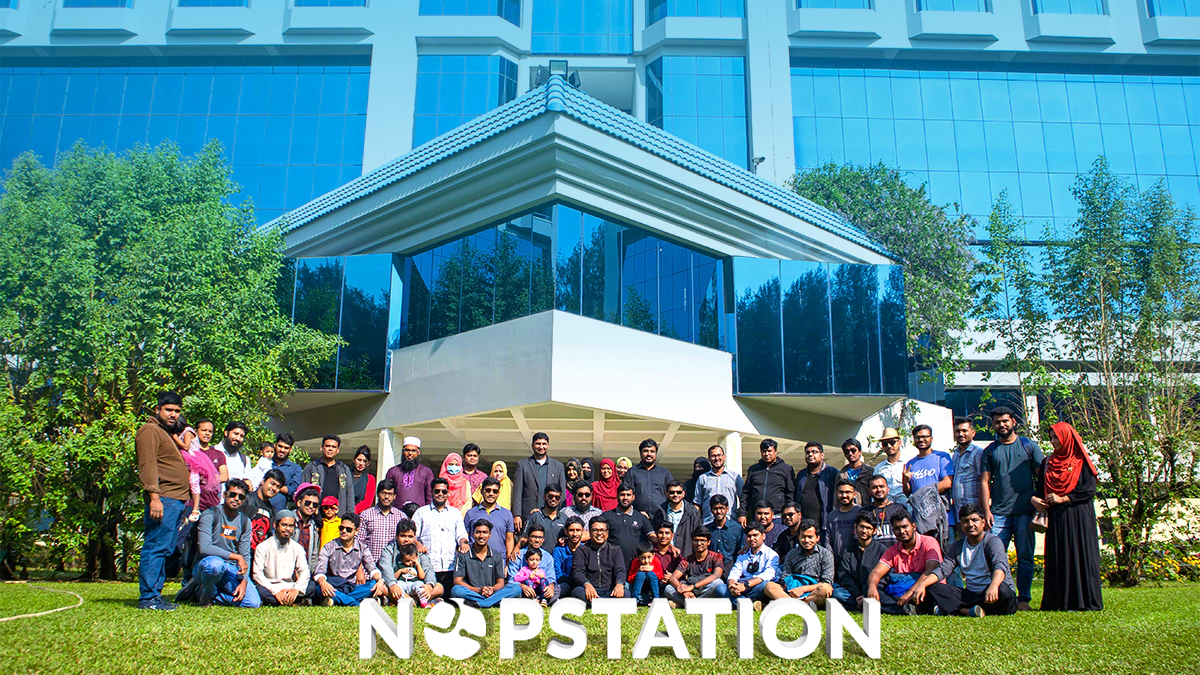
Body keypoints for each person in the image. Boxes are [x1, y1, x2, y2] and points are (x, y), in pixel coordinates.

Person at [979, 405, 1045, 611]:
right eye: (997, 422)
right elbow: (984, 481)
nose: (1002, 425)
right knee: (994, 556)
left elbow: (1041, 476)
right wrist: (986, 511)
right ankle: (1001, 596)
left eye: (1005, 421)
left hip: (1025, 512)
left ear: (1014, 422)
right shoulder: (990, 451)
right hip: (998, 513)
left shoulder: (1028, 446)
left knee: (1025, 556)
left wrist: (1039, 501)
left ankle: (1023, 599)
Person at [1033, 421, 1103, 612]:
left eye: (1057, 437)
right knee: (1060, 555)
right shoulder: (1048, 463)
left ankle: (1085, 601)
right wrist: (1035, 499)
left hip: (1079, 517)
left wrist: (1064, 498)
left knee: (1081, 555)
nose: (1053, 441)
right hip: (1057, 518)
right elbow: (1040, 489)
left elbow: (1089, 490)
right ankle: (1060, 602)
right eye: (1051, 437)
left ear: (1067, 438)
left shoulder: (1082, 463)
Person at [909, 504, 1018, 617]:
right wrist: (922, 584)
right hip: (972, 595)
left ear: (983, 522)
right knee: (932, 586)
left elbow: (1000, 567)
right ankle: (967, 611)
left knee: (1003, 589)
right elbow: (942, 570)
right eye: (965, 521)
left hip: (995, 592)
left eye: (974, 520)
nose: (970, 524)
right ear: (960, 524)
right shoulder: (958, 546)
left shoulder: (992, 542)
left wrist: (993, 586)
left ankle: (957, 610)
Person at [135, 391, 190, 610]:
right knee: (156, 546)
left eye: (177, 411)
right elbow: (147, 465)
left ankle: (155, 595)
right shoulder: (149, 431)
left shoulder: (165, 433)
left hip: (175, 499)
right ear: (157, 410)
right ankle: (148, 598)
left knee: (165, 548)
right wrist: (154, 497)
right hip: (163, 499)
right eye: (169, 410)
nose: (173, 415)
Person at [188, 479, 261, 608]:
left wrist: (244, 580)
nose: (236, 499)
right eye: (232, 494)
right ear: (224, 494)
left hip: (230, 568)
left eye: (241, 497)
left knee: (252, 603)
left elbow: (245, 555)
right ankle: (208, 595)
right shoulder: (210, 514)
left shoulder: (245, 521)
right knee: (215, 565)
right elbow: (205, 548)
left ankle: (203, 592)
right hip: (207, 564)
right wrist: (236, 557)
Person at [865, 510, 943, 615]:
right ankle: (903, 609)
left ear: (914, 527)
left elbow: (931, 569)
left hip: (924, 587)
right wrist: (872, 587)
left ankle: (900, 607)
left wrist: (910, 592)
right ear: (893, 531)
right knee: (871, 585)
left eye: (905, 527)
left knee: (933, 588)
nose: (902, 531)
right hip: (903, 589)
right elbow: (876, 572)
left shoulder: (929, 542)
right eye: (897, 528)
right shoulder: (893, 550)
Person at [314, 512, 386, 606]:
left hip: (352, 587)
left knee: (373, 584)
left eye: (348, 529)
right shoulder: (328, 547)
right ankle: (358, 604)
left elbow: (372, 569)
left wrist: (380, 580)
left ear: (356, 531)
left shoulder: (362, 548)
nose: (344, 531)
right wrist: (323, 582)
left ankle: (338, 600)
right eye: (341, 528)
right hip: (334, 586)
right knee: (320, 588)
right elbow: (320, 572)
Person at [412, 477, 470, 592]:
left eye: (444, 491)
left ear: (448, 493)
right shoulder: (421, 512)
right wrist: (417, 544)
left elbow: (461, 535)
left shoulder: (455, 513)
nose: (440, 494)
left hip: (450, 565)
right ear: (431, 492)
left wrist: (464, 543)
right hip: (429, 565)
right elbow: (411, 535)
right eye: (437, 491)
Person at [764, 518, 835, 608]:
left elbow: (827, 582)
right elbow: (785, 577)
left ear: (817, 538)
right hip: (793, 590)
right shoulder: (791, 554)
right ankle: (801, 605)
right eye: (803, 536)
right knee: (769, 586)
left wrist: (802, 589)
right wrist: (792, 589)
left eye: (810, 537)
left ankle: (793, 604)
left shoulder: (826, 554)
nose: (806, 540)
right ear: (798, 537)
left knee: (826, 589)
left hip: (813, 591)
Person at [451, 520, 523, 608]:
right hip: (473, 593)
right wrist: (478, 590)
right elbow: (457, 581)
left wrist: (492, 589)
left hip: (492, 593)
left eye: (485, 532)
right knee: (456, 590)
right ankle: (492, 602)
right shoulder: (464, 555)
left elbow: (500, 583)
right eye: (478, 532)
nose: (481, 536)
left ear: (490, 535)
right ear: (473, 534)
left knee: (516, 589)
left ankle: (481, 604)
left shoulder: (496, 556)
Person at [252, 509, 316, 607]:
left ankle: (285, 600)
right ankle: (295, 602)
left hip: (290, 586)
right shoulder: (263, 547)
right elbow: (257, 574)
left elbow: (304, 571)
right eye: (284, 525)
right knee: (259, 590)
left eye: (291, 526)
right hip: (270, 586)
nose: (288, 529)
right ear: (275, 525)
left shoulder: (297, 548)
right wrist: (275, 591)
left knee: (311, 586)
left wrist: (296, 589)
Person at [836, 512, 892, 613]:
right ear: (855, 527)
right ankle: (863, 603)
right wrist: (857, 595)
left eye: (868, 528)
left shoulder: (881, 550)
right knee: (837, 594)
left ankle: (862, 605)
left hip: (875, 589)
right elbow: (844, 576)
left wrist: (873, 587)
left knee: (880, 595)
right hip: (853, 593)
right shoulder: (848, 550)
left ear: (874, 531)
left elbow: (887, 574)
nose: (864, 531)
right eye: (861, 527)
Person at [379, 519, 444, 607]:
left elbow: (428, 569)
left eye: (410, 536)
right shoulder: (388, 550)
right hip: (399, 586)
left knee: (439, 587)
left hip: (416, 586)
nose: (406, 539)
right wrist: (392, 585)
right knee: (383, 588)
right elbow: (386, 569)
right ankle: (415, 601)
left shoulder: (418, 551)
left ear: (414, 537)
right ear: (396, 536)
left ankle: (411, 601)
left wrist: (429, 585)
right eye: (403, 536)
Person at [511, 432, 568, 530]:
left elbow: (562, 494)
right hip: (528, 515)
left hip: (551, 516)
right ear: (532, 445)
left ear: (548, 445)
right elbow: (517, 493)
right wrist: (517, 515)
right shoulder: (523, 465)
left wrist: (561, 515)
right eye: (538, 443)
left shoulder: (558, 466)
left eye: (544, 444)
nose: (541, 447)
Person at [903, 424, 954, 532]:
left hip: (941, 516)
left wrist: (923, 494)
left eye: (925, 437)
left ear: (931, 438)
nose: (921, 439)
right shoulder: (910, 464)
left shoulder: (942, 457)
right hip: (921, 519)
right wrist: (905, 482)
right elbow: (908, 493)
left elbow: (947, 483)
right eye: (918, 437)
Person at [570, 516, 627, 603]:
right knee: (577, 592)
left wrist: (619, 584)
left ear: (607, 533)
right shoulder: (582, 550)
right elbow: (577, 571)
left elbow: (620, 570)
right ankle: (608, 605)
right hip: (591, 590)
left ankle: (598, 604)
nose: (599, 533)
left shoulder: (615, 550)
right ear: (589, 532)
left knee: (626, 592)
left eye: (602, 530)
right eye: (595, 530)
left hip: (609, 590)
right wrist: (587, 584)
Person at [665, 527, 727, 606]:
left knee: (718, 583)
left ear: (708, 542)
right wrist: (684, 590)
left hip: (705, 589)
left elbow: (716, 575)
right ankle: (697, 604)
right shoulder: (687, 560)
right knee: (668, 588)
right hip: (690, 590)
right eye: (696, 540)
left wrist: (693, 586)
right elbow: (673, 578)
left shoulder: (716, 557)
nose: (699, 543)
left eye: (702, 541)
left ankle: (688, 604)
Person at [741, 439, 795, 525]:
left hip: (778, 517)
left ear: (775, 451)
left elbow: (790, 493)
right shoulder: (753, 469)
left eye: (769, 451)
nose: (767, 454)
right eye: (764, 451)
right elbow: (746, 493)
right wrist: (742, 514)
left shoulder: (786, 469)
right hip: (757, 517)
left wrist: (788, 514)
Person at [727, 524, 780, 610]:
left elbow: (768, 574)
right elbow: (735, 571)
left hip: (757, 586)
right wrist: (732, 585)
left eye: (755, 535)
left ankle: (739, 603)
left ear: (763, 536)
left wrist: (746, 585)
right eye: (749, 536)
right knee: (720, 587)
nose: (752, 539)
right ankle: (749, 605)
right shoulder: (743, 554)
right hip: (741, 586)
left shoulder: (771, 554)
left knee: (766, 584)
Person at [464, 476, 517, 562]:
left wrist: (508, 563)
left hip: (499, 562)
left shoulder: (506, 514)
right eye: (488, 490)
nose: (491, 494)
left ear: (498, 494)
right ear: (482, 491)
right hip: (474, 561)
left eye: (495, 491)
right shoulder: (471, 513)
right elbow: (465, 537)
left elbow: (509, 540)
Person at [950, 417, 988, 533]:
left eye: (964, 431)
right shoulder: (955, 455)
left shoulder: (979, 453)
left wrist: (982, 511)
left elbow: (983, 481)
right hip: (960, 513)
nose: (961, 434)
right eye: (957, 431)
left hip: (975, 513)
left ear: (973, 433)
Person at [356, 478, 404, 564]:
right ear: (378, 494)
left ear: (394, 496)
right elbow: (358, 544)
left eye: (390, 494)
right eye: (383, 493)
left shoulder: (401, 517)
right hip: (369, 568)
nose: (386, 497)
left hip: (393, 569)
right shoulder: (366, 515)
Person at [693, 444, 744, 525]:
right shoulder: (703, 478)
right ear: (709, 459)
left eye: (719, 455)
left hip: (730, 521)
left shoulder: (735, 477)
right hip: (708, 522)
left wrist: (742, 515)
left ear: (724, 457)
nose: (717, 458)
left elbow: (743, 498)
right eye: (713, 456)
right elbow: (697, 503)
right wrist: (697, 522)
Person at [303, 434, 355, 510]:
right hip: (315, 513)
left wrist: (350, 515)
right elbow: (303, 491)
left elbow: (349, 494)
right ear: (321, 448)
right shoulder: (311, 467)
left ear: (338, 450)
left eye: (333, 447)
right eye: (327, 446)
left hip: (338, 515)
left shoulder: (343, 469)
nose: (330, 449)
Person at [794, 441, 839, 530]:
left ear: (822, 455)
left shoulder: (833, 473)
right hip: (804, 525)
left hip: (825, 524)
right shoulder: (801, 475)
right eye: (807, 453)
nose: (810, 455)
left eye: (814, 452)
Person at [508, 525, 557, 604]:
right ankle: (539, 600)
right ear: (528, 537)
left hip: (541, 588)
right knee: (513, 589)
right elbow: (512, 579)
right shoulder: (518, 555)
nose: (537, 540)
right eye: (534, 537)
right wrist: (523, 587)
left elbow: (551, 577)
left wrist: (551, 587)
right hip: (524, 588)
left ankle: (542, 599)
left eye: (540, 537)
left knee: (559, 588)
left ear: (543, 539)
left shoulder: (548, 557)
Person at [605, 483, 653, 565]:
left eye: (628, 495)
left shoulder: (641, 517)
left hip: (635, 563)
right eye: (622, 495)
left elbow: (652, 536)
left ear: (633, 497)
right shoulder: (607, 516)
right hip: (611, 562)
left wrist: (669, 546)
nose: (625, 498)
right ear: (617, 496)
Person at [652, 479, 701, 557]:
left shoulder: (693, 513)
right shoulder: (660, 512)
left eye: (679, 492)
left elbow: (698, 536)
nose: (675, 495)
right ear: (666, 494)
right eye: (672, 492)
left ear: (683, 494)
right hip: (665, 556)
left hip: (686, 556)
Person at [384, 436, 434, 509]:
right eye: (407, 450)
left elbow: (430, 496)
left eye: (413, 451)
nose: (410, 453)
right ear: (403, 451)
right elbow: (387, 492)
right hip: (397, 513)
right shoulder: (393, 471)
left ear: (418, 452)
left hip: (419, 514)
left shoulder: (426, 472)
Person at [626, 439, 673, 515]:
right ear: (640, 453)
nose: (649, 454)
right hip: (638, 517)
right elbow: (626, 494)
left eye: (652, 451)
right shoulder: (632, 472)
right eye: (645, 451)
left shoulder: (664, 473)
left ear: (656, 454)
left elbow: (672, 493)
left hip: (661, 517)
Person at [241, 468, 282, 553]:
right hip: (241, 551)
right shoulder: (247, 499)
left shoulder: (272, 510)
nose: (274, 488)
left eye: (278, 487)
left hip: (257, 556)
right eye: (272, 483)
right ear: (263, 481)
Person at [824, 479, 863, 562]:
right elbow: (828, 540)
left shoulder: (860, 512)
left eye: (848, 492)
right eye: (841, 492)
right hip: (838, 561)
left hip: (857, 559)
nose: (844, 495)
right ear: (837, 494)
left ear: (854, 494)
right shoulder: (832, 516)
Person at [522, 484, 567, 550]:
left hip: (558, 558)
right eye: (550, 496)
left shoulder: (564, 518)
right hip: (537, 558)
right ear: (544, 496)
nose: (553, 499)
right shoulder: (535, 516)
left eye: (557, 497)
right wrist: (517, 548)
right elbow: (524, 538)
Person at [266, 433, 302, 512]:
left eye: (286, 448)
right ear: (275, 445)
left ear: (290, 449)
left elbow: (293, 489)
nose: (282, 450)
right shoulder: (265, 463)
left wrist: (273, 486)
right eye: (280, 446)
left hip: (278, 510)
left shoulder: (295, 469)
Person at [707, 495, 744, 568]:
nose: (719, 511)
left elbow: (741, 550)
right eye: (715, 508)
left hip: (730, 567)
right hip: (711, 567)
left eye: (722, 508)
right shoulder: (707, 529)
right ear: (711, 510)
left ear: (727, 509)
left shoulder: (736, 528)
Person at [866, 474, 903, 548]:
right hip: (874, 556)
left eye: (881, 486)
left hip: (897, 554)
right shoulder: (865, 511)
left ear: (888, 488)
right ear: (869, 491)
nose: (879, 490)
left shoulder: (899, 508)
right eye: (874, 487)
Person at [292, 483, 323, 570]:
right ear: (299, 503)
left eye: (315, 505)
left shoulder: (314, 526)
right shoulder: (289, 520)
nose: (311, 507)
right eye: (308, 503)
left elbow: (314, 553)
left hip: (305, 572)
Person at [553, 517, 585, 597]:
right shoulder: (558, 551)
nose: (575, 534)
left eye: (578, 530)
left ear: (582, 531)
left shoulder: (586, 550)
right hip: (564, 585)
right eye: (571, 530)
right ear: (565, 531)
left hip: (581, 586)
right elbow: (558, 574)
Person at [874, 427, 907, 506]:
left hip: (907, 504)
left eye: (892, 442)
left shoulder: (909, 462)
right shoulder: (879, 468)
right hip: (887, 507)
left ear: (899, 442)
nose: (889, 446)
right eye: (885, 444)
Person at [214, 421, 253, 488]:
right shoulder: (212, 451)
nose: (238, 438)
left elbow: (247, 481)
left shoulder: (244, 460)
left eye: (241, 436)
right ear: (226, 433)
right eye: (236, 434)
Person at [838, 438, 875, 505]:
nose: (850, 453)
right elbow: (836, 498)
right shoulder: (841, 474)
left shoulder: (870, 472)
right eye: (847, 451)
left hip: (866, 511)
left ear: (860, 452)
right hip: (847, 511)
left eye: (853, 450)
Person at [195, 419, 228, 485]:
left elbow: (224, 477)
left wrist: (207, 478)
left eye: (210, 431)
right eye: (204, 430)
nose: (207, 433)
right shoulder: (190, 452)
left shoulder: (218, 454)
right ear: (196, 431)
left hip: (212, 494)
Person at [351, 446, 377, 514]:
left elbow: (368, 501)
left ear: (368, 463)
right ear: (354, 460)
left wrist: (353, 510)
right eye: (359, 460)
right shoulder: (345, 476)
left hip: (361, 515)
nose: (361, 463)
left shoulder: (370, 479)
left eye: (365, 461)